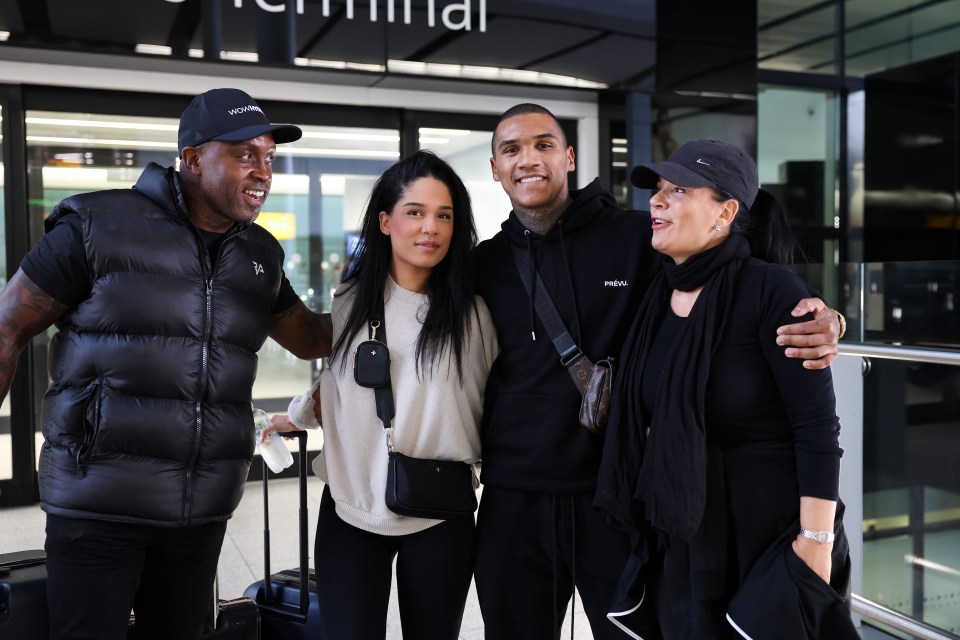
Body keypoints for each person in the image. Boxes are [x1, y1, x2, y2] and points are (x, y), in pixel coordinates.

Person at [471, 104, 844, 639]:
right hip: (514, 498)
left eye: (544, 144)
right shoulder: (485, 264)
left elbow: (733, 274)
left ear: (569, 157)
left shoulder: (637, 237)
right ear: (495, 168)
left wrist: (830, 318)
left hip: (615, 496)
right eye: (511, 149)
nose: (528, 159)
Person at [0, 87, 332, 640]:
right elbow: (8, 328)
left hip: (201, 508)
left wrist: (398, 287)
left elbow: (311, 337)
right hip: (99, 501)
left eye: (269, 157)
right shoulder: (96, 225)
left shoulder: (259, 254)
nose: (262, 172)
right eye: (244, 154)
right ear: (193, 157)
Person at [595, 138, 857, 639]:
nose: (656, 200)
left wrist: (815, 543)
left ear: (726, 211)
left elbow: (817, 429)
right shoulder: (658, 289)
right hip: (687, 528)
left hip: (768, 538)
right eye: (657, 190)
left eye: (677, 190)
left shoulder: (772, 291)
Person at [264, 150, 498, 639]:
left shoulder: (474, 315)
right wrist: (296, 414)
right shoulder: (351, 299)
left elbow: (486, 406)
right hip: (351, 506)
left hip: (440, 512)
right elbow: (345, 382)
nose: (430, 227)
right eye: (415, 212)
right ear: (386, 221)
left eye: (444, 215)